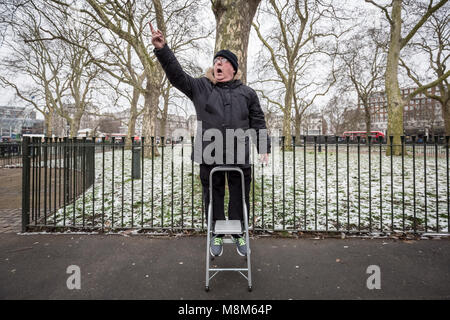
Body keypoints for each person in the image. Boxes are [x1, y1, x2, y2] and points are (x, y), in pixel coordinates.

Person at [150, 22, 270, 257]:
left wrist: (263, 146)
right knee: (213, 195)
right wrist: (163, 49)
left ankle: (239, 234)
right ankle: (215, 233)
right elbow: (177, 76)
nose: (218, 63)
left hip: (239, 154)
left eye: (223, 61)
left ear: (233, 69)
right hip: (209, 153)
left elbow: (258, 120)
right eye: (216, 60)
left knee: (239, 195)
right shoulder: (201, 87)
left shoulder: (247, 93)